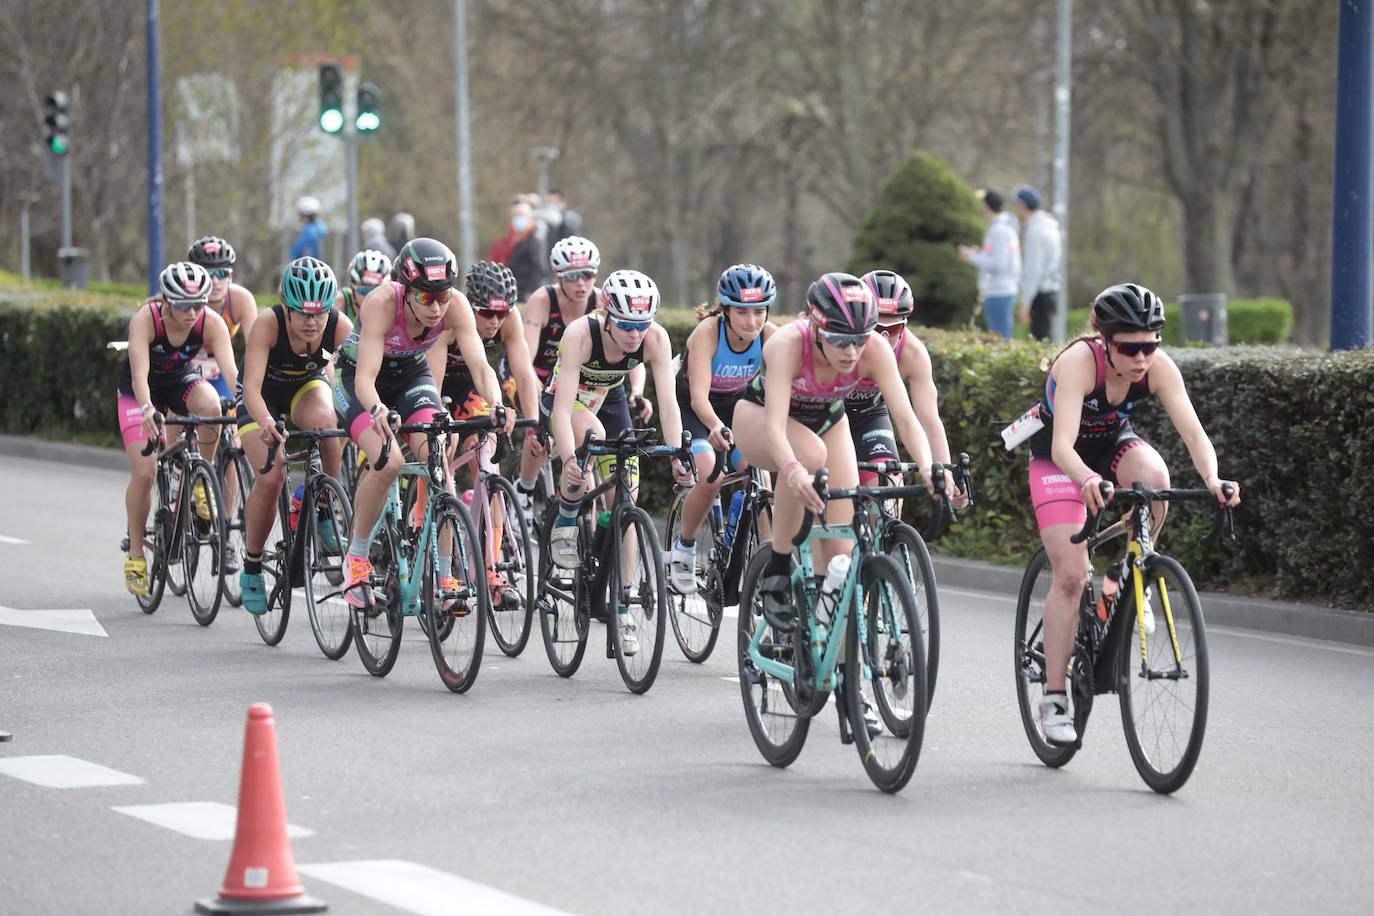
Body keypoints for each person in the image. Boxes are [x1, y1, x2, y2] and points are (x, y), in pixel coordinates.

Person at [1025, 283, 1241, 746]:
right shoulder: (1079, 363)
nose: (1142, 357)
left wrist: (1212, 479)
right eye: (1130, 347)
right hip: (1059, 461)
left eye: (1151, 344)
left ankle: (1130, 568)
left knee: (1155, 477)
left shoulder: (1157, 368)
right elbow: (1062, 446)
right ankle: (1055, 697)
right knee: (1068, 576)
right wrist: (1085, 479)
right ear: (1105, 340)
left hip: (1110, 449)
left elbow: (1193, 431)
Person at [732, 272, 946, 627]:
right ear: (815, 328)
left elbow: (907, 419)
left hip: (827, 419)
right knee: (810, 455)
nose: (850, 352)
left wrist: (928, 466)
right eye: (839, 340)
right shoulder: (786, 345)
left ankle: (822, 630)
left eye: (859, 340)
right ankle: (779, 567)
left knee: (841, 547)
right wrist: (793, 472)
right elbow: (774, 427)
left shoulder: (874, 348)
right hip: (760, 418)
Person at [333, 237, 514, 608]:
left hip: (410, 376)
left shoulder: (456, 307)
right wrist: (378, 410)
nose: (436, 308)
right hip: (358, 380)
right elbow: (366, 378)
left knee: (439, 462)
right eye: (426, 297)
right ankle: (357, 559)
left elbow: (481, 365)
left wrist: (496, 404)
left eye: (443, 296)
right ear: (406, 289)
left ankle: (445, 578)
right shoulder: (383, 302)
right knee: (388, 462)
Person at [544, 269, 693, 653]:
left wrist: (678, 452)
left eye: (641, 324)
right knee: (589, 444)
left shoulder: (654, 338)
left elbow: (668, 403)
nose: (634, 334)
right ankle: (565, 517)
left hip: (609, 399)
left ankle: (623, 602)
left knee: (628, 497)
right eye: (626, 325)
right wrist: (568, 458)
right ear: (607, 313)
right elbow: (561, 412)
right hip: (571, 398)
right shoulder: (580, 334)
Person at [236, 257, 354, 614]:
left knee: (328, 422)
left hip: (305, 388)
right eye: (302, 313)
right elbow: (251, 390)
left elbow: (357, 383)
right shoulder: (267, 325)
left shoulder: (341, 326)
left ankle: (322, 506)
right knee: (271, 478)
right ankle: (253, 566)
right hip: (263, 399)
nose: (311, 322)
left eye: (319, 314)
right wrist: (267, 422)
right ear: (286, 308)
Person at [117, 262, 238, 596]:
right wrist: (147, 411)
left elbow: (231, 374)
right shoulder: (146, 319)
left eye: (199, 304)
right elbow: (139, 375)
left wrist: (246, 404)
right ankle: (136, 553)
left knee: (213, 407)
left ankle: (201, 481)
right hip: (138, 392)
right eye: (184, 305)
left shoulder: (210, 323)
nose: (192, 312)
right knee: (144, 473)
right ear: (167, 302)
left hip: (178, 382)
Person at [668, 264, 780, 593]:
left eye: (759, 310)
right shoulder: (707, 332)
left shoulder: (770, 335)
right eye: (743, 311)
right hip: (693, 408)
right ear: (727, 309)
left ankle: (771, 558)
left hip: (736, 408)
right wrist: (715, 427)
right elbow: (700, 398)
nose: (752, 320)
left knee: (758, 473)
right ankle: (684, 548)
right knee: (711, 476)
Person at [438, 260, 542, 609]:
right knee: (440, 449)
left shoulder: (508, 320)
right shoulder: (450, 316)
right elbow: (432, 381)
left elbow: (524, 374)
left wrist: (534, 422)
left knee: (487, 458)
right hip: (433, 380)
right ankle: (425, 513)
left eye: (502, 312)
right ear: (471, 304)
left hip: (472, 384)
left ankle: (493, 567)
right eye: (487, 313)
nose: (495, 321)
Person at [843, 270, 964, 502]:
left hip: (870, 415)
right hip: (831, 414)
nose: (885, 339)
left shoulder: (913, 354)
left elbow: (927, 420)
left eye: (895, 329)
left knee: (890, 486)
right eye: (877, 329)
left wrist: (946, 473)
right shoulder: (840, 345)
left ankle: (885, 535)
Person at [513, 235, 602, 513]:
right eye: (572, 276)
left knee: (580, 435)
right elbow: (525, 357)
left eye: (587, 275)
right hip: (538, 374)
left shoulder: (601, 301)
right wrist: (536, 388)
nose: (580, 283)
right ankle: (525, 488)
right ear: (558, 277)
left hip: (576, 381)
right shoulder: (542, 300)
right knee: (537, 430)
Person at [186, 235, 258, 405]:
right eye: (208, 274)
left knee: (232, 423)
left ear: (231, 277)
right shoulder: (183, 303)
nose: (215, 281)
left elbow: (256, 350)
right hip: (184, 368)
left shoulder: (242, 300)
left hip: (220, 369)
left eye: (222, 273)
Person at [958, 189, 1021, 340]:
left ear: (986, 206)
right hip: (1003, 290)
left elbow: (998, 264)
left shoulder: (998, 230)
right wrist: (979, 254)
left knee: (1000, 339)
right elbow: (998, 258)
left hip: (998, 291)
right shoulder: (1004, 227)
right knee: (1002, 337)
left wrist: (971, 256)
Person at [1012, 184, 1062, 341]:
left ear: (1023, 205)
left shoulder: (1035, 231)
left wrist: (1025, 303)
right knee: (1046, 339)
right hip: (1049, 291)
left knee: (1040, 344)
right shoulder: (1049, 226)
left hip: (1039, 295)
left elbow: (1034, 270)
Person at [507, 200, 552, 302]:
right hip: (519, 290)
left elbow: (539, 267)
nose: (518, 219)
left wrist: (531, 291)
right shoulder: (518, 238)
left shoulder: (536, 238)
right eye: (515, 215)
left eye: (521, 215)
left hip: (529, 292)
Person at [337, 249, 393, 325]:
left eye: (376, 291)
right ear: (352, 286)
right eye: (363, 290)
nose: (369, 297)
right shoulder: (339, 302)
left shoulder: (393, 308)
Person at [544, 189, 584, 253]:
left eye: (553, 202)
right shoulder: (543, 225)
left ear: (563, 203)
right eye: (548, 202)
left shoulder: (570, 223)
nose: (550, 206)